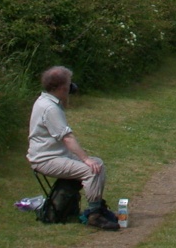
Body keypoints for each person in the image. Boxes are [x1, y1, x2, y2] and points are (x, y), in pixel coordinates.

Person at [27, 66, 118, 230]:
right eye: (69, 84)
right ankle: (94, 215)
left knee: (98, 163)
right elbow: (67, 138)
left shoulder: (47, 101)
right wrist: (85, 159)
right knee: (92, 169)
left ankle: (95, 207)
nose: (72, 87)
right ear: (62, 87)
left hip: (54, 155)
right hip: (46, 160)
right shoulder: (50, 108)